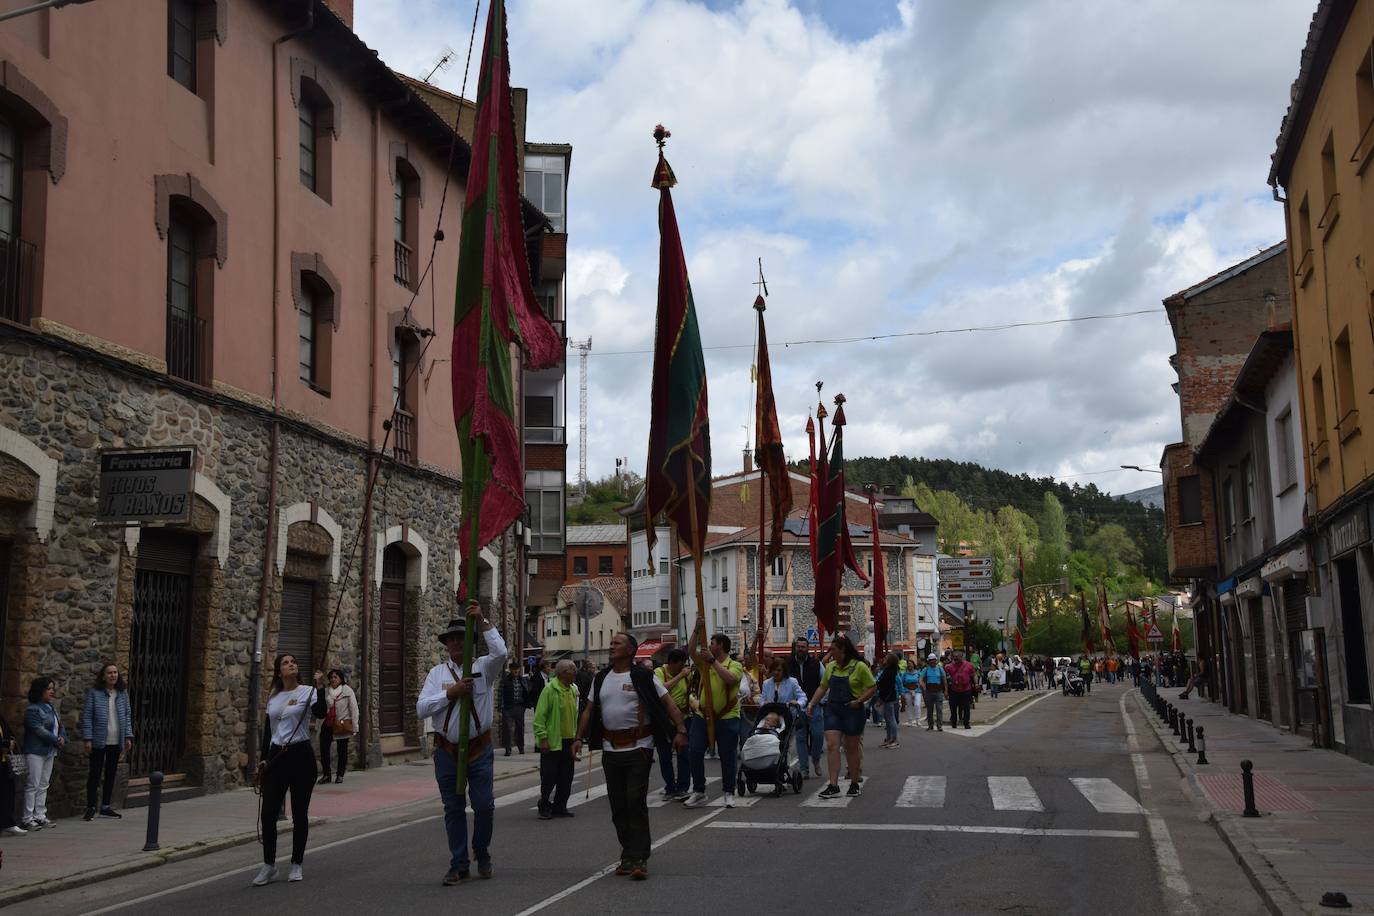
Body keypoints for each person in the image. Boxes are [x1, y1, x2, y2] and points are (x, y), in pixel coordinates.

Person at [573, 632, 688, 881]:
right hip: (610, 748)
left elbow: (668, 702)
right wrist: (578, 739)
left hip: (639, 747)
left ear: (630, 650)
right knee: (618, 806)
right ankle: (627, 853)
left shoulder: (643, 676)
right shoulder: (601, 677)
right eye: (611, 643)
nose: (611, 646)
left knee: (635, 800)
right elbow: (589, 710)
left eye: (617, 643)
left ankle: (640, 858)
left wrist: (680, 729)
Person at [417, 607, 507, 886]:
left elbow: (501, 653)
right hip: (446, 750)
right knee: (453, 808)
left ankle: (481, 850)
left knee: (484, 805)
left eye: (462, 637)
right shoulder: (436, 673)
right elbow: (421, 708)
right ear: (446, 644)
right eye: (452, 638)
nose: (456, 642)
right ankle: (458, 863)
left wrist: (481, 621)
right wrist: (449, 694)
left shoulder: (484, 666)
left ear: (471, 640)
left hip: (479, 748)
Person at [253, 654, 327, 886]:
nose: (291, 664)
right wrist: (264, 758)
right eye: (285, 663)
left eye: (293, 661)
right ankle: (269, 865)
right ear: (279, 672)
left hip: (301, 756)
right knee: (268, 813)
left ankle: (296, 863)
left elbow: (322, 712)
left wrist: (321, 687)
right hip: (277, 756)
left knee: (299, 812)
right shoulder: (274, 696)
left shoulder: (308, 691)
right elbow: (269, 730)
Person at [806, 635, 876, 799]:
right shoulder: (831, 667)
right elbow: (823, 688)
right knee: (832, 745)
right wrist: (811, 704)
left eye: (834, 650)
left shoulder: (859, 666)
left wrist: (859, 701)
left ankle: (854, 783)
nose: (831, 653)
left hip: (852, 711)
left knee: (851, 748)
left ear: (843, 650)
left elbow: (872, 687)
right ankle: (833, 785)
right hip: (833, 710)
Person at [682, 631, 744, 808]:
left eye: (712, 643)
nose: (709, 646)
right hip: (703, 715)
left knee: (727, 755)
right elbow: (691, 649)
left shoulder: (734, 665)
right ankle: (699, 791)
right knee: (694, 751)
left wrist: (712, 661)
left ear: (721, 646)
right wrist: (696, 628)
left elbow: (730, 679)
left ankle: (728, 791)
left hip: (727, 716)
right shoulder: (704, 664)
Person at [80, 662, 134, 820]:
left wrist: (128, 736)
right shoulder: (94, 693)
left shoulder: (122, 693)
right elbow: (87, 717)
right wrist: (88, 738)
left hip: (116, 740)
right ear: (103, 676)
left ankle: (105, 806)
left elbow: (127, 716)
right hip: (98, 740)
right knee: (95, 773)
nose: (113, 675)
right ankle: (90, 806)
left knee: (111, 773)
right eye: (110, 673)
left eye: (115, 672)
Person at [533, 659, 579, 819]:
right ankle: (544, 805)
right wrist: (542, 738)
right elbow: (539, 716)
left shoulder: (573, 689)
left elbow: (576, 715)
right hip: (553, 741)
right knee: (549, 776)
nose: (575, 673)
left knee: (566, 776)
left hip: (568, 740)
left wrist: (577, 739)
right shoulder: (550, 690)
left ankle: (560, 806)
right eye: (572, 670)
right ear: (562, 674)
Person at [21, 676, 65, 831]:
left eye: (53, 688)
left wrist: (62, 737)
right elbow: (38, 729)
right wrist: (55, 739)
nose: (52, 691)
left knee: (43, 784)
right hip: (35, 750)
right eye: (49, 688)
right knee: (33, 783)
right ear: (40, 691)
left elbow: (59, 726)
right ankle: (27, 817)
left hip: (49, 750)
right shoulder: (33, 709)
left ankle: (40, 814)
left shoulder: (51, 708)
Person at [653, 649, 692, 800]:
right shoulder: (659, 672)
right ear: (671, 663)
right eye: (680, 665)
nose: (682, 668)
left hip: (684, 718)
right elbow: (661, 689)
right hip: (664, 720)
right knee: (664, 756)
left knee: (684, 755)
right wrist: (680, 676)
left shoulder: (686, 675)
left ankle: (683, 787)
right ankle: (670, 786)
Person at [785, 638, 824, 778]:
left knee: (818, 734)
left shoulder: (816, 664)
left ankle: (816, 758)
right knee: (801, 738)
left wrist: (821, 701)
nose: (800, 649)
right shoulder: (788, 663)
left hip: (814, 705)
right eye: (798, 647)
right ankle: (804, 769)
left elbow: (824, 683)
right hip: (797, 707)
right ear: (795, 648)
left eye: (803, 647)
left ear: (808, 648)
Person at [319, 670, 357, 785]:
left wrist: (354, 726)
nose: (333, 679)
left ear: (341, 679)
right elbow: (321, 705)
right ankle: (327, 774)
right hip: (328, 722)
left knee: (342, 749)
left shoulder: (347, 691)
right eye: (331, 677)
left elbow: (354, 709)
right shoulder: (326, 691)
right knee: (324, 748)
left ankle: (340, 774)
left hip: (341, 723)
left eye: (335, 677)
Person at [499, 660, 531, 756]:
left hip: (519, 707)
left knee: (520, 728)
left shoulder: (523, 680)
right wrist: (500, 706)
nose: (516, 671)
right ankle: (508, 748)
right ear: (510, 670)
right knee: (507, 729)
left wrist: (526, 704)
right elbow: (500, 694)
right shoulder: (505, 680)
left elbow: (527, 691)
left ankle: (521, 747)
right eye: (514, 669)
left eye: (517, 669)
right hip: (508, 707)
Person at [0, 711, 22, 835]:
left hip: (4, 762)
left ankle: (8, 823)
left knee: (7, 793)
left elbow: (9, 733)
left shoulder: (1, 717)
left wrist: (11, 741)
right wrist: (5, 744)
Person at [945, 650, 977, 730]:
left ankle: (966, 723)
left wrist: (976, 684)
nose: (955, 658)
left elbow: (973, 675)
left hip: (966, 689)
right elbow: (945, 678)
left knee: (966, 707)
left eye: (957, 657)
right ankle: (954, 722)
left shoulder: (969, 665)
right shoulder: (948, 667)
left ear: (961, 657)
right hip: (954, 690)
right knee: (953, 707)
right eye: (954, 657)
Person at [875, 653, 901, 749]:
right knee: (888, 719)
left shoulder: (889, 671)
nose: (884, 659)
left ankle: (894, 739)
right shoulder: (889, 670)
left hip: (888, 697)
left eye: (886, 658)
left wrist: (882, 698)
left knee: (891, 718)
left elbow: (885, 686)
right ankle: (889, 738)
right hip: (886, 696)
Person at [918, 654, 945, 731]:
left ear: (936, 660)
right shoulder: (925, 670)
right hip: (929, 691)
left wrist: (946, 690)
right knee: (929, 709)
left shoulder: (940, 669)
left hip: (938, 691)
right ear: (928, 661)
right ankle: (930, 725)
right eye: (931, 660)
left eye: (934, 660)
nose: (932, 661)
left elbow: (944, 680)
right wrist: (923, 685)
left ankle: (939, 726)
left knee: (939, 709)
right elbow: (921, 679)